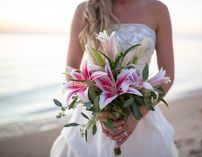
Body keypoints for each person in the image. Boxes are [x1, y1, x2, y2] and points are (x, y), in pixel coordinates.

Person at [50, 0, 178, 156]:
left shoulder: (158, 10)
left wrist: (137, 115)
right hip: (95, 113)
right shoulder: (85, 10)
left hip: (140, 109)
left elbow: (167, 74)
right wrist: (99, 111)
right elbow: (71, 71)